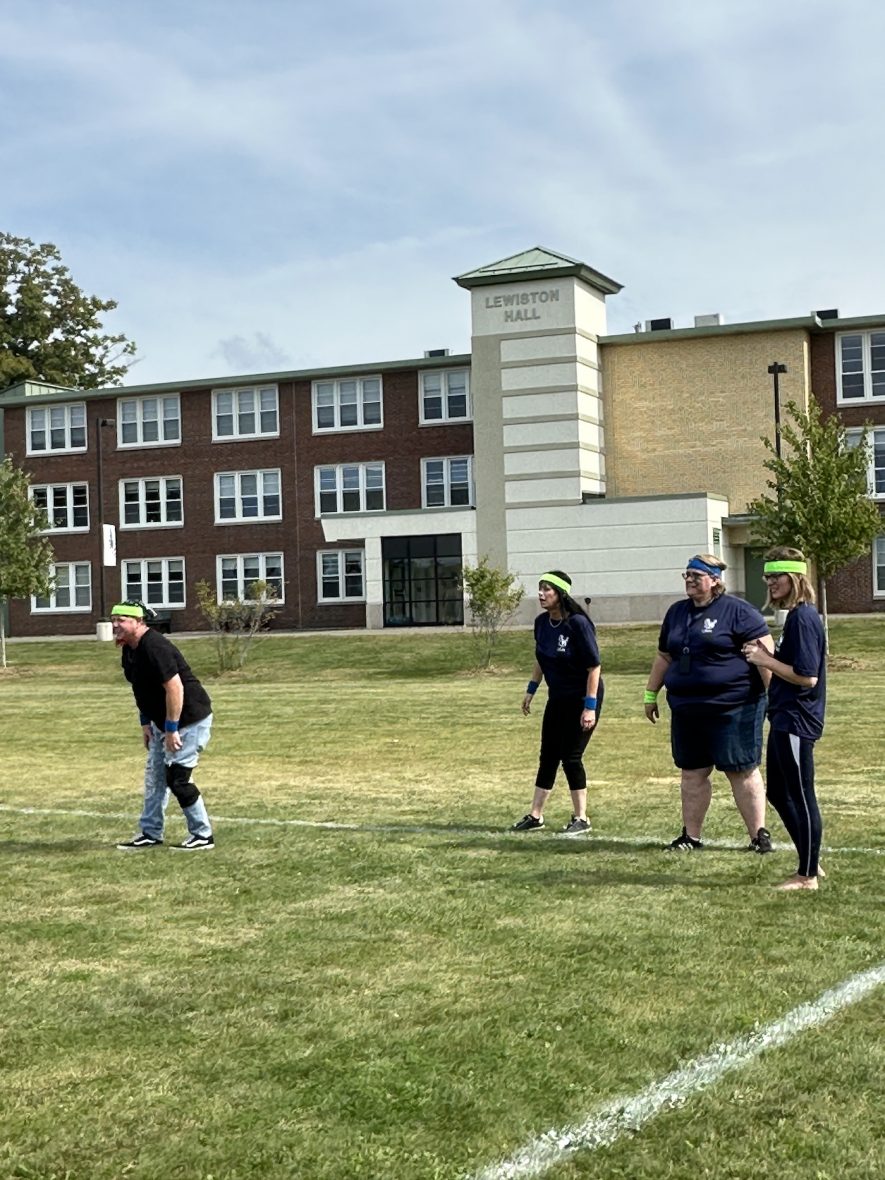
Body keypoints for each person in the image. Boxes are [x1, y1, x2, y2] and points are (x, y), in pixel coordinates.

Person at [644, 554, 774, 852]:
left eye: (696, 575)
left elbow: (765, 656)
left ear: (715, 580)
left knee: (741, 769)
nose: (689, 580)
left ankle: (758, 836)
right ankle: (691, 836)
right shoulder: (676, 612)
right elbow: (665, 655)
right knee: (692, 772)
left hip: (734, 707)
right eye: (686, 574)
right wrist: (651, 693)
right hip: (687, 708)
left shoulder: (739, 612)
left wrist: (775, 699)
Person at [743, 548, 827, 891]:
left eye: (776, 576)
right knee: (778, 791)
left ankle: (807, 876)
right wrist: (769, 655)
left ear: (794, 577)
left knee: (802, 795)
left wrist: (764, 660)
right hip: (782, 717)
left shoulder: (803, 618)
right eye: (767, 576)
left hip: (797, 720)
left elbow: (807, 677)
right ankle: (810, 857)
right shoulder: (794, 617)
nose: (770, 582)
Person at [110, 600, 216, 851]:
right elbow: (141, 689)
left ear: (139, 621)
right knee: (156, 779)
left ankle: (203, 835)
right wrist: (145, 723)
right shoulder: (130, 648)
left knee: (178, 779)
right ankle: (150, 832)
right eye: (113, 619)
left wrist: (171, 729)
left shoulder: (155, 646)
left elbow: (175, 688)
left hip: (188, 719)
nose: (115, 625)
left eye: (122, 620)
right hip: (161, 722)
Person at [511, 570, 603, 836]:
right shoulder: (541, 623)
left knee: (571, 757)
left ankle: (581, 818)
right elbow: (542, 658)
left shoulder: (578, 624)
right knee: (548, 755)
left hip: (582, 697)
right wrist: (531, 690)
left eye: (547, 589)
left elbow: (594, 667)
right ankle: (535, 816)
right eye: (539, 589)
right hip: (558, 697)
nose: (541, 594)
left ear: (560, 594)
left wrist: (589, 707)